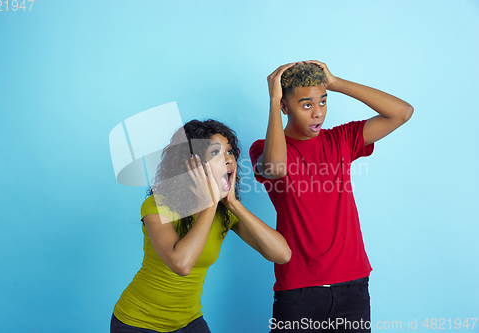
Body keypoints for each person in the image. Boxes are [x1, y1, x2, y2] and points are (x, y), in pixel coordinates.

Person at [249, 61, 413, 332]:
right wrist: (273, 99)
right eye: (306, 105)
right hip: (299, 290)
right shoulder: (264, 148)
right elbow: (276, 168)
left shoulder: (342, 139)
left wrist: (335, 83)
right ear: (284, 107)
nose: (318, 113)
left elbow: (402, 112)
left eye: (323, 102)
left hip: (353, 286)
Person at [111, 119, 291, 333]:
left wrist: (232, 203)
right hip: (137, 322)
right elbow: (182, 264)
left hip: (189, 321)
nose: (228, 160)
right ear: (191, 164)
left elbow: (282, 254)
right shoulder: (157, 204)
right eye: (215, 153)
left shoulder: (225, 213)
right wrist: (211, 202)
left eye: (230, 152)